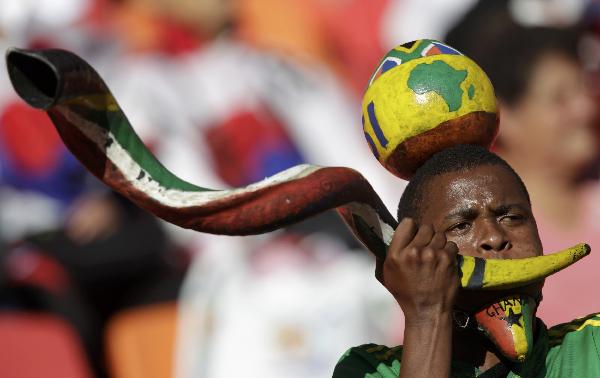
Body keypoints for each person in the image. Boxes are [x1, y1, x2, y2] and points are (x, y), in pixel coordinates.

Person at [333, 144, 600, 377]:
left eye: (513, 217)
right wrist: (427, 314)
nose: (495, 238)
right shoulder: (367, 370)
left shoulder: (593, 346)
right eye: (461, 225)